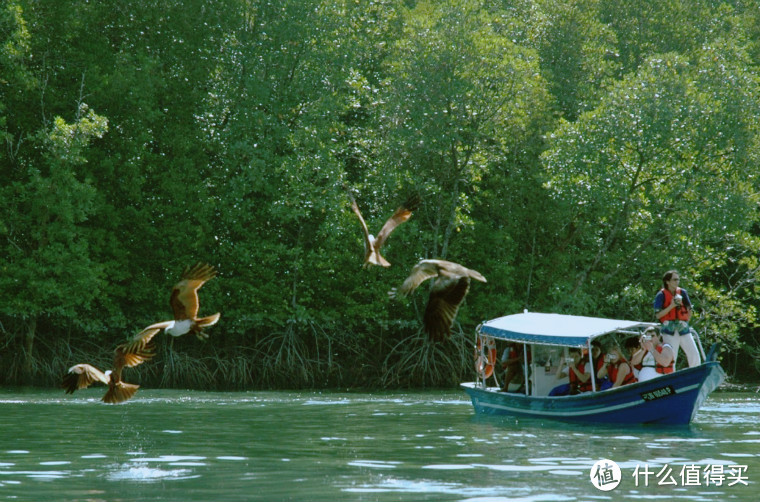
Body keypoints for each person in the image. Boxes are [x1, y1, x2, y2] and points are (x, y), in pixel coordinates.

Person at [654, 270, 700, 368]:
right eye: (674, 279)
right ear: (667, 281)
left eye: (678, 280)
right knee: (672, 356)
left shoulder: (682, 292)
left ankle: (696, 375)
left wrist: (686, 320)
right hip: (669, 330)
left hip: (683, 328)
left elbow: (689, 309)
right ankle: (671, 380)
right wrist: (672, 306)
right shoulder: (661, 295)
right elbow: (658, 315)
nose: (677, 282)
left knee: (694, 354)